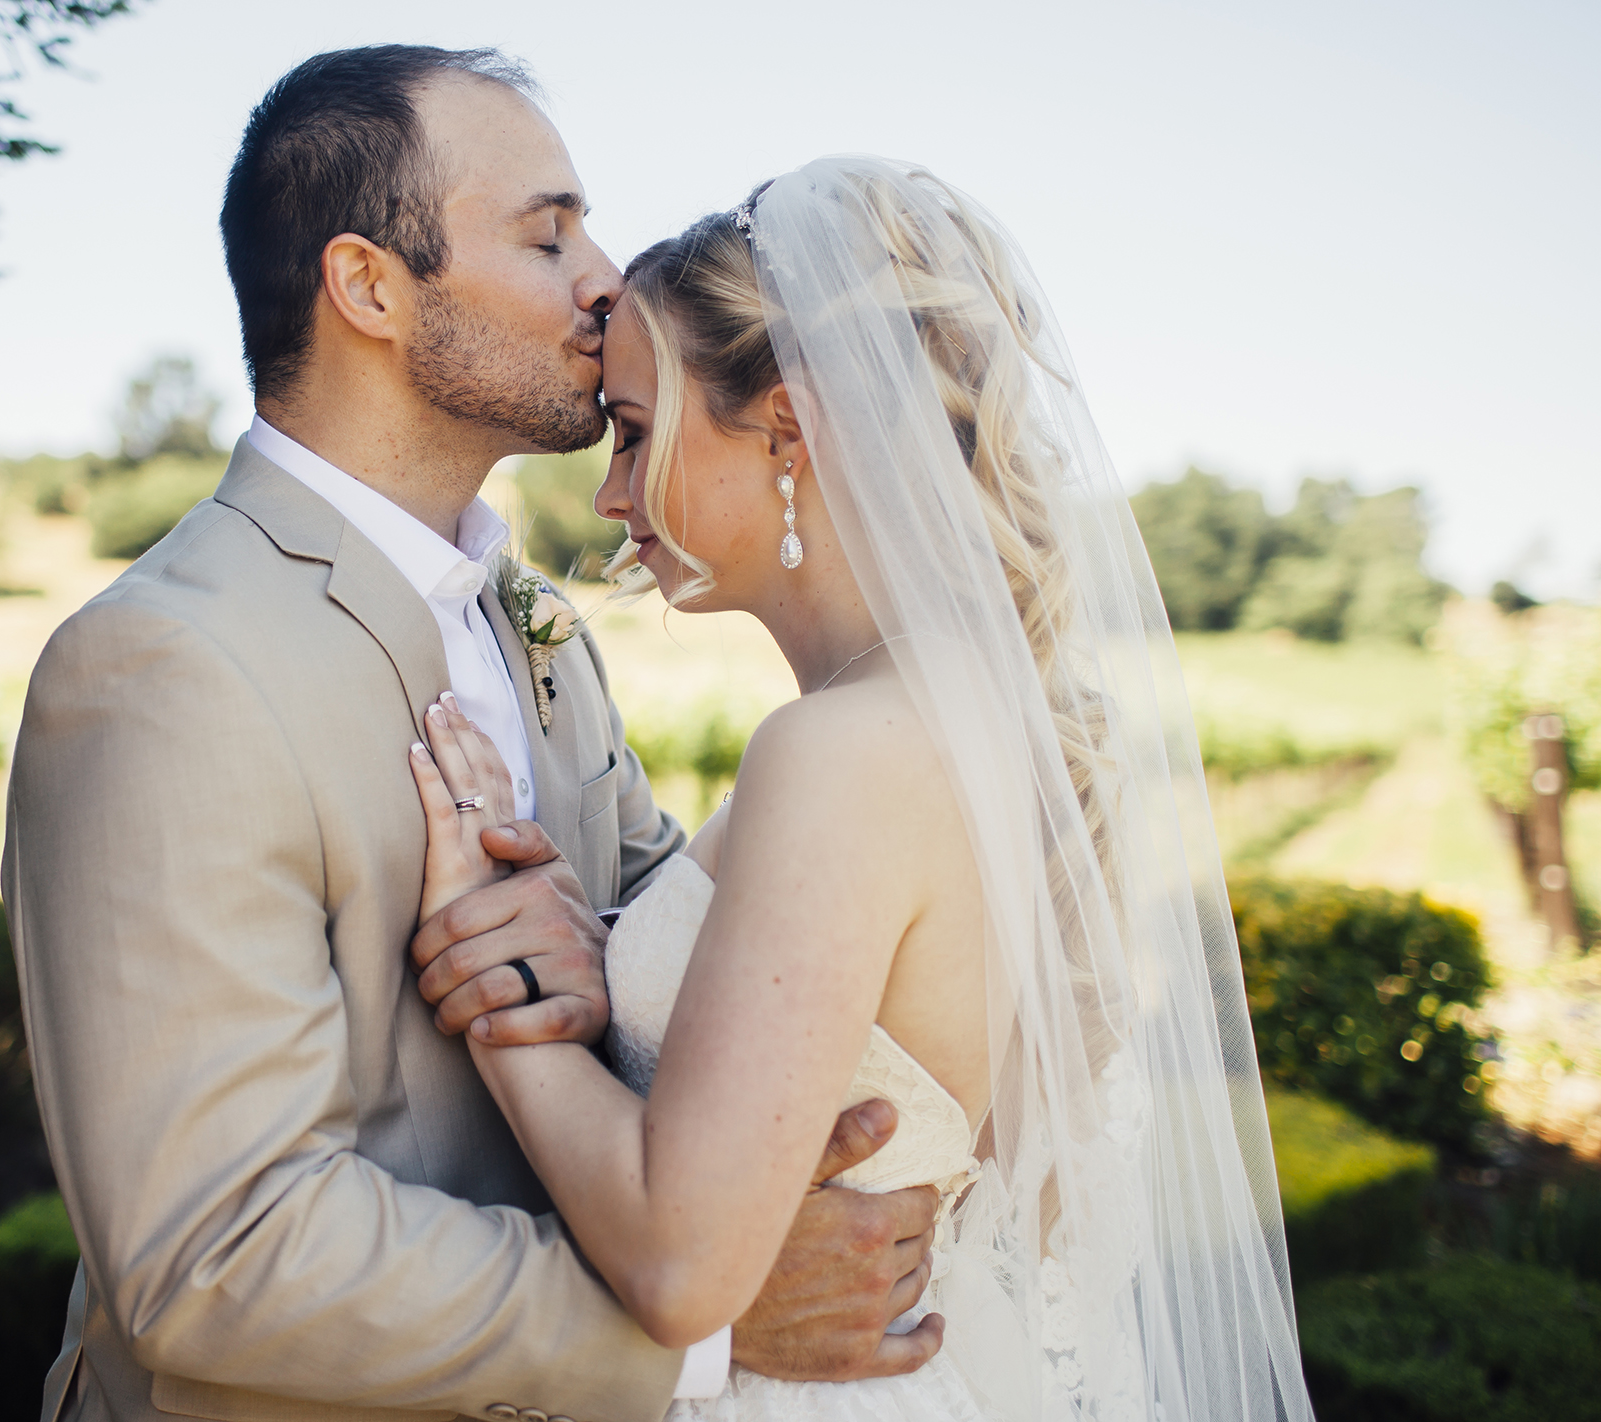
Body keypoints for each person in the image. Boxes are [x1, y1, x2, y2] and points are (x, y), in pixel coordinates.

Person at [2, 49, 943, 1422]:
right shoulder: (161, 668)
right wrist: (706, 1326)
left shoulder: (531, 621)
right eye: (548, 231)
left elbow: (656, 970)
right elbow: (215, 1252)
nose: (606, 279)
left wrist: (746, 1159)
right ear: (370, 287)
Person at [407, 158, 1314, 1421]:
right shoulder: (980, 724)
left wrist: (509, 1010)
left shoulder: (837, 753)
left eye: (631, 432)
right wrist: (597, 938)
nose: (612, 497)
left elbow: (680, 1263)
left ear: (784, 424)